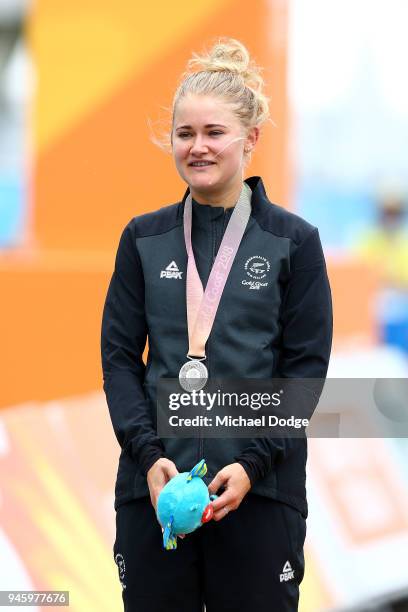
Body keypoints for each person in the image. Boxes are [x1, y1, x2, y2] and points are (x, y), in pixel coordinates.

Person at [101, 37, 333, 612]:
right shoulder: (143, 238)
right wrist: (147, 454)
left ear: (249, 139)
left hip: (260, 493)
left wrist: (254, 464)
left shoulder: (293, 242)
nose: (197, 147)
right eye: (185, 134)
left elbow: (305, 372)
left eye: (214, 133)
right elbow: (119, 360)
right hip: (154, 491)